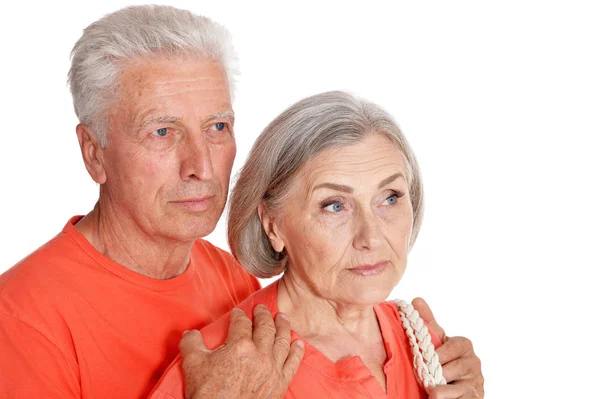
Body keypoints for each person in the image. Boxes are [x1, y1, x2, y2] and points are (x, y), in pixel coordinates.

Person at [0, 5, 483, 398]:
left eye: (217, 128)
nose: (201, 165)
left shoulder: (233, 282)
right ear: (94, 153)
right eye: (162, 132)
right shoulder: (21, 319)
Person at [150, 91, 481, 399]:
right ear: (272, 224)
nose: (371, 237)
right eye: (334, 205)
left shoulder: (426, 347)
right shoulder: (218, 369)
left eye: (389, 198)